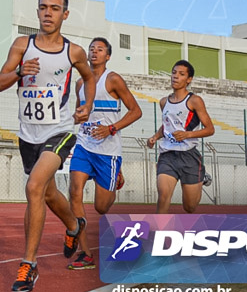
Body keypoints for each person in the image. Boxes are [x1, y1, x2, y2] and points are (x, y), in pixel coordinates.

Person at [0, 0, 94, 292]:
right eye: (43, 7)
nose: (48, 12)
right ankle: (73, 225)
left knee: (34, 187)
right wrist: (18, 72)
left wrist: (86, 105)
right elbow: (0, 83)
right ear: (37, 12)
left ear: (65, 14)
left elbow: (89, 78)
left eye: (54, 8)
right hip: (29, 134)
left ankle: (29, 265)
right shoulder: (22, 45)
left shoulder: (73, 51)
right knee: (49, 194)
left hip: (60, 130)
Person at [66, 37, 142, 270]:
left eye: (100, 50)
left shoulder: (113, 79)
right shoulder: (80, 84)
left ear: (107, 56)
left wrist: (111, 128)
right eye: (91, 49)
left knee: (101, 207)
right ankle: (85, 253)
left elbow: (136, 111)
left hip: (108, 151)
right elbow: (81, 113)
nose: (94, 52)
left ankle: (115, 176)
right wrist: (78, 117)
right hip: (84, 145)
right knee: (74, 191)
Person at [145, 60, 215, 214]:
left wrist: (187, 134)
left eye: (181, 74)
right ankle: (158, 233)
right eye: (174, 72)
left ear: (188, 79)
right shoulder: (164, 102)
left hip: (189, 156)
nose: (175, 76)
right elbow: (167, 125)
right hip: (168, 155)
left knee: (189, 207)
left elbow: (210, 129)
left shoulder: (194, 101)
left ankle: (201, 177)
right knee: (163, 195)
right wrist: (155, 137)